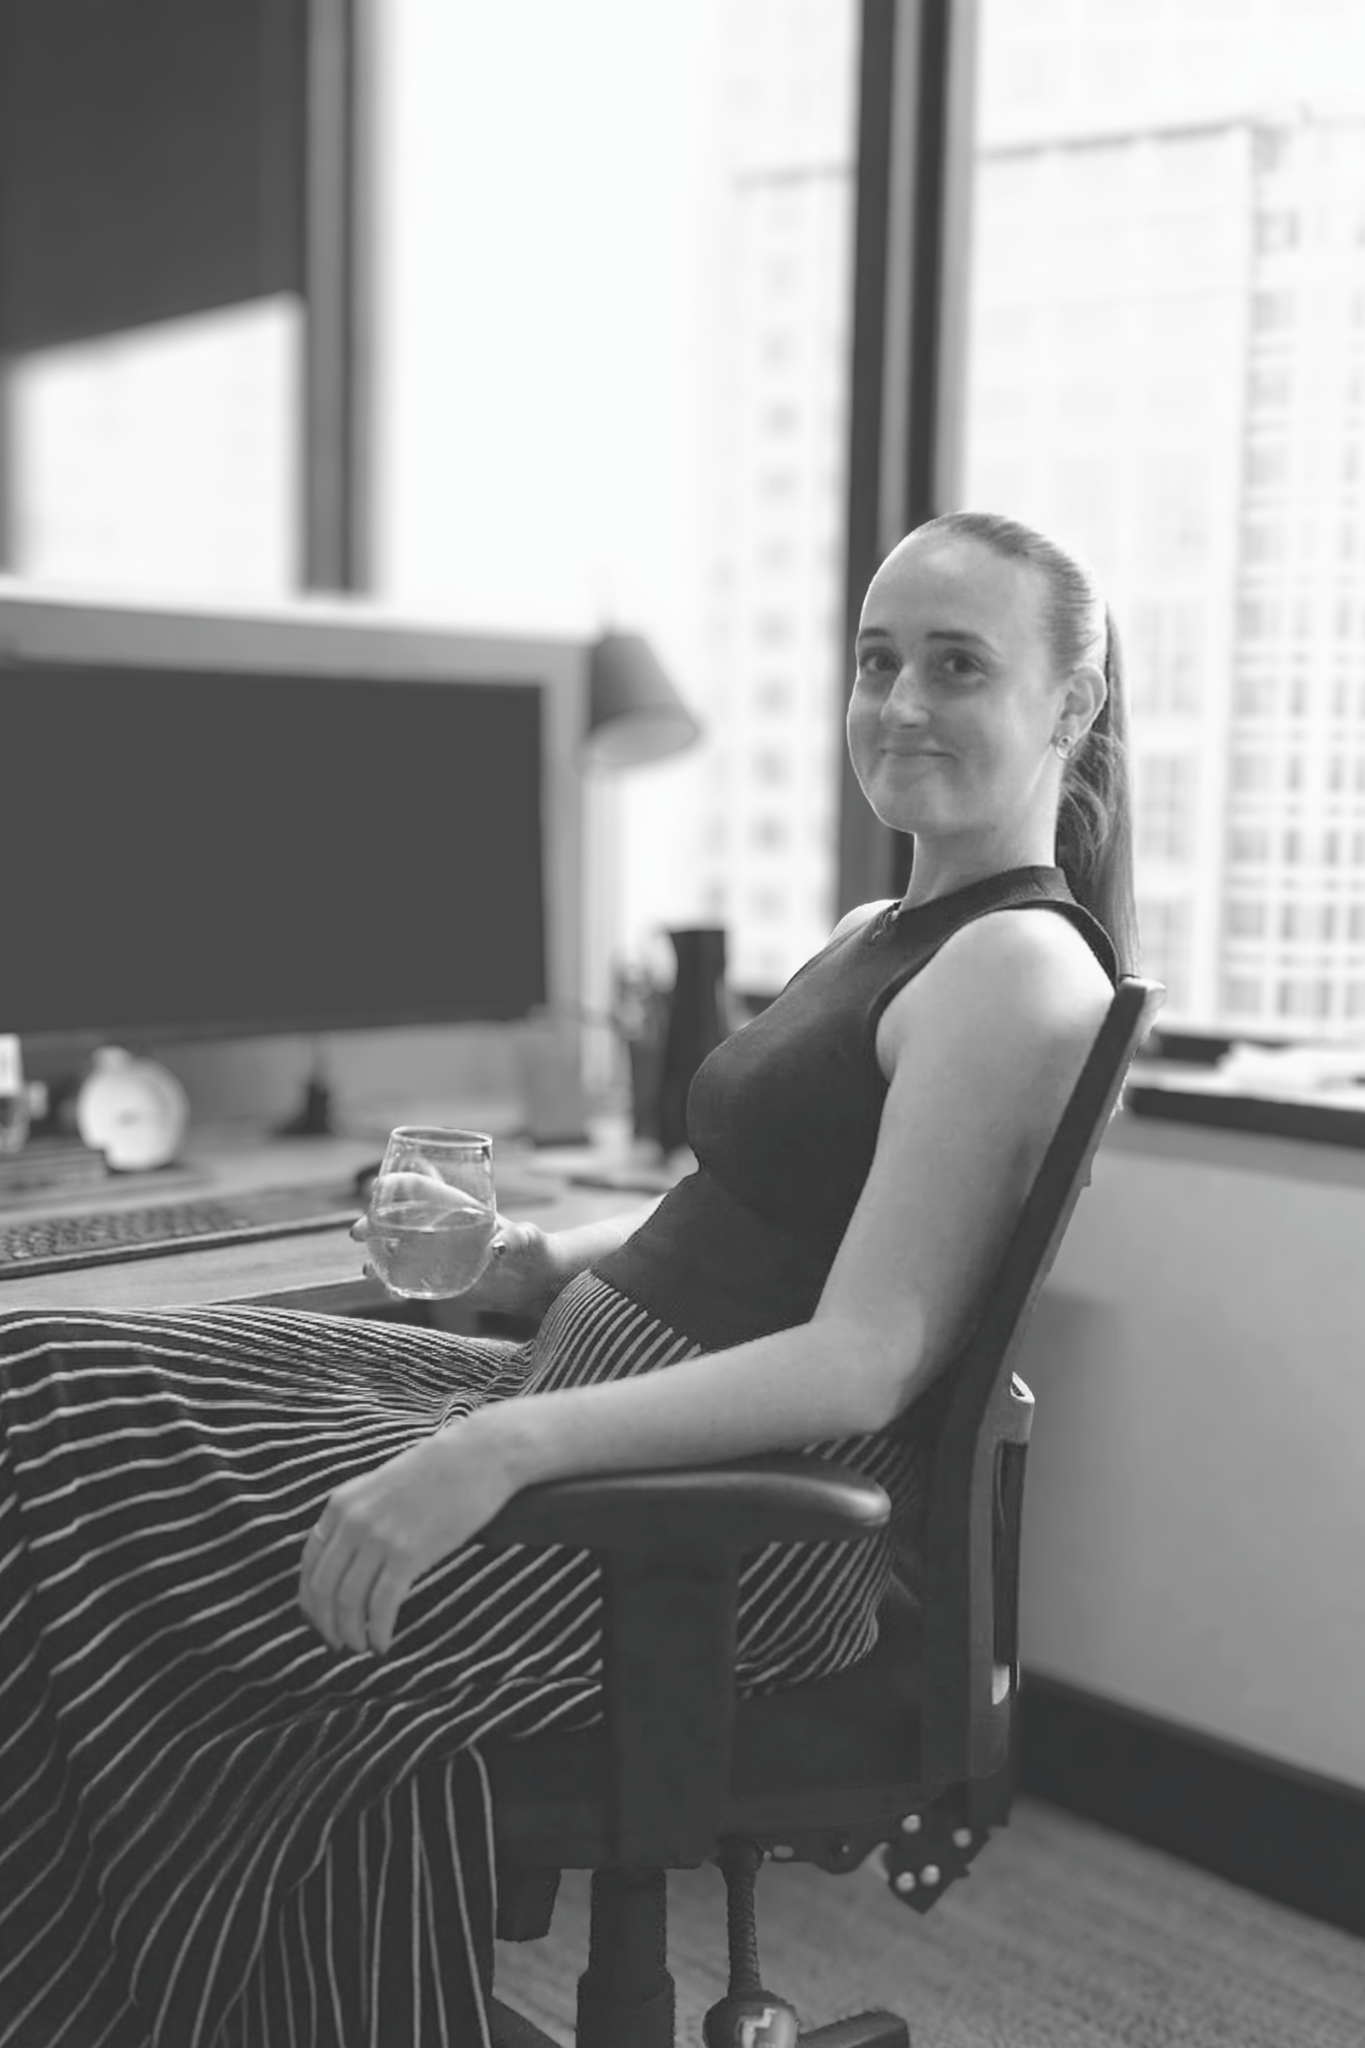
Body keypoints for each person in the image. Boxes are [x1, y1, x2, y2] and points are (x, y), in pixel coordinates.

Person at [0, 510, 1137, 2048]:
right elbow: (749, 1204)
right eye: (877, 662)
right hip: (591, 1409)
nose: (900, 703)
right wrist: (535, 1259)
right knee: (50, 1375)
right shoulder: (889, 929)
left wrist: (494, 1448)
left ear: (1072, 703)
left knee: (85, 1490)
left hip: (706, 1531)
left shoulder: (1014, 971)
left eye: (957, 666)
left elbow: (863, 1354)